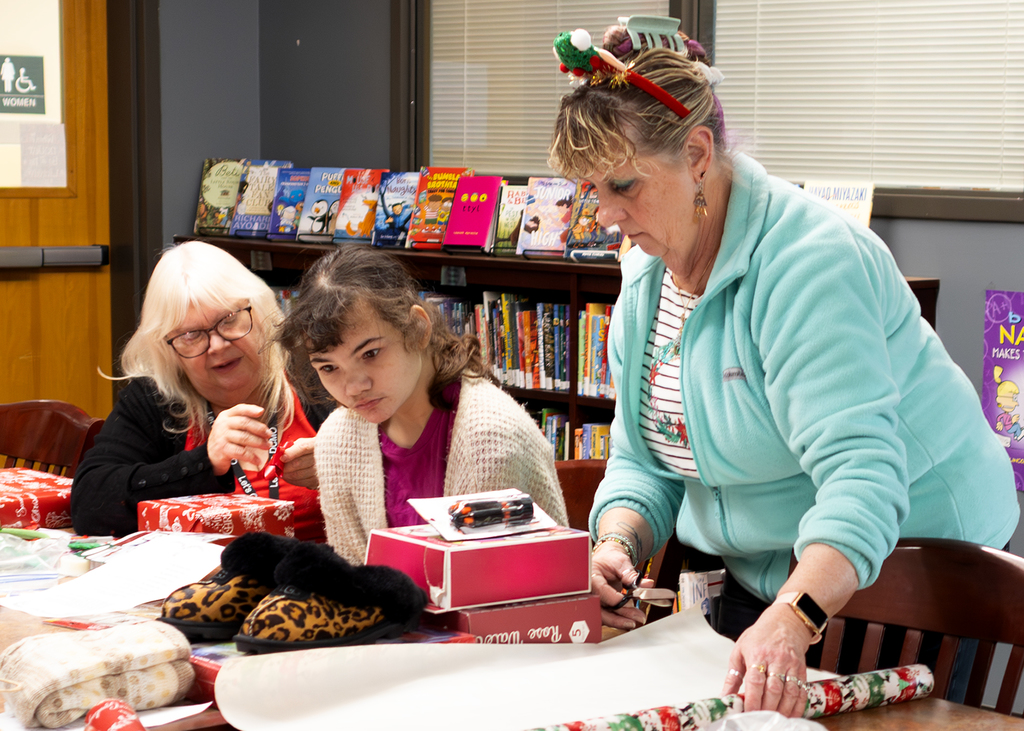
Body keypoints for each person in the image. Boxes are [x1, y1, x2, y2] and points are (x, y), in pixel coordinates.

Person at [548, 18, 1020, 718]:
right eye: (593, 189)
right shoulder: (647, 285)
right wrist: (616, 540)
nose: (607, 213)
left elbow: (862, 476)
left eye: (623, 185)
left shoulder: (808, 265)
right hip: (769, 575)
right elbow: (644, 461)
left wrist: (795, 614)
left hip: (908, 571)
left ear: (698, 154)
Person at [278, 246, 569, 565]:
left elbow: (484, 588)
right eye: (329, 368)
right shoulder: (338, 438)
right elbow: (352, 579)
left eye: (371, 354)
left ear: (417, 329)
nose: (353, 388)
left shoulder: (488, 438)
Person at [71, 241, 332, 541]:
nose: (218, 345)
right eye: (191, 335)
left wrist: (341, 464)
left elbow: (395, 483)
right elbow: (90, 506)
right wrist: (204, 463)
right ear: (167, 349)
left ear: (259, 312)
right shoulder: (154, 397)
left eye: (229, 320)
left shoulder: (320, 375)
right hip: (196, 583)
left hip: (312, 576)